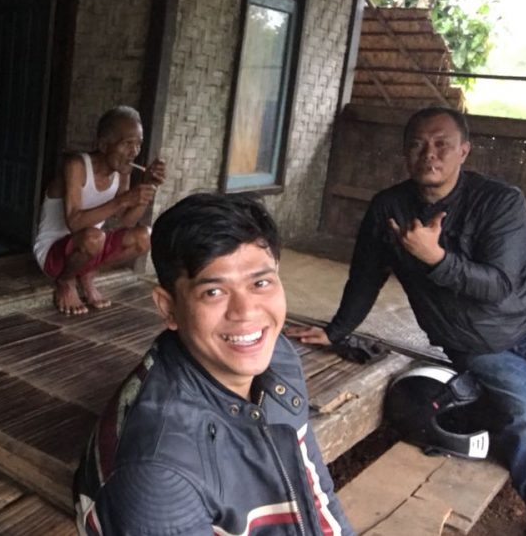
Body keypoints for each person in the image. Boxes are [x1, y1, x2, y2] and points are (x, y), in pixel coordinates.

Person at [285, 106, 526, 536]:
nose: (430, 153)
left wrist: (436, 258)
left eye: (442, 144)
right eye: (418, 144)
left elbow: (499, 285)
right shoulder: (388, 209)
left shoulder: (501, 201)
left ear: (464, 151)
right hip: (478, 345)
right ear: (405, 153)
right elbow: (365, 277)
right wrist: (336, 331)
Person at [74, 193, 352, 535]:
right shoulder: (160, 474)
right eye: (214, 292)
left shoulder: (279, 357)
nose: (246, 312)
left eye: (260, 283)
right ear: (168, 308)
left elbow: (317, 496)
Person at [34, 106, 166, 315]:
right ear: (104, 145)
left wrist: (148, 187)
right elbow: (74, 223)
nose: (134, 152)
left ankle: (88, 272)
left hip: (92, 245)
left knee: (144, 237)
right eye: (127, 143)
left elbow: (127, 222)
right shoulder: (76, 166)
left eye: (138, 144)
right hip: (54, 253)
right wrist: (122, 200)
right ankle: (66, 280)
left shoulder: (122, 172)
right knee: (94, 237)